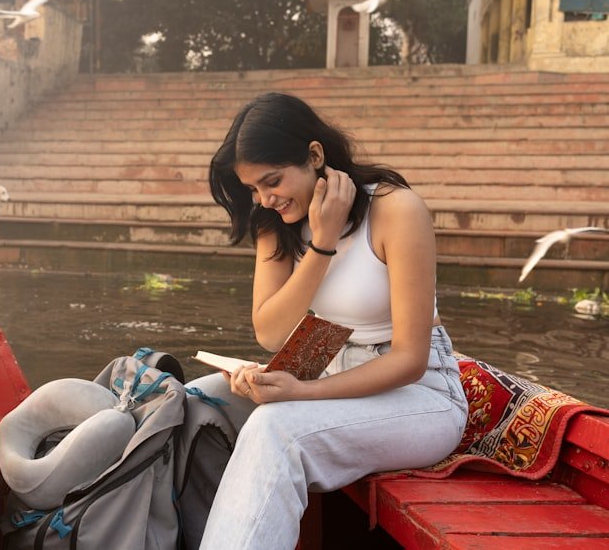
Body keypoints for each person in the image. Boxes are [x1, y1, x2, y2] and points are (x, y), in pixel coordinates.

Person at [186, 92, 468, 549]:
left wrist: (301, 393)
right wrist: (322, 243)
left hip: (421, 397)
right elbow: (270, 333)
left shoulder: (396, 209)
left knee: (275, 430)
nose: (265, 199)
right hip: (328, 369)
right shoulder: (275, 222)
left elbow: (410, 360)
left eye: (272, 181)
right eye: (253, 189)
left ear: (314, 155)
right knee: (196, 403)